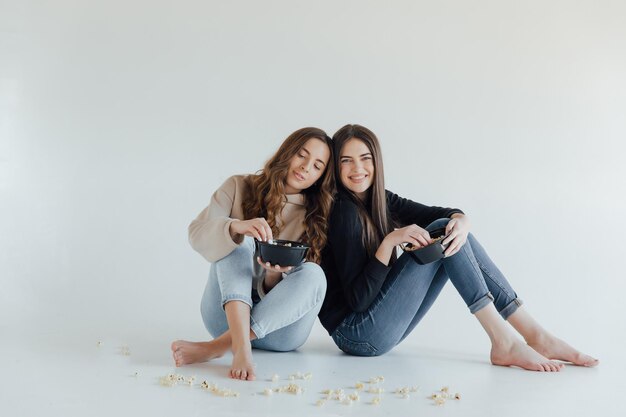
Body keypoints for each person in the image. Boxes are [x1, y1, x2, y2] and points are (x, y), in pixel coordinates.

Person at [319, 124, 598, 371]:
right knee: (444, 231)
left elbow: (441, 214)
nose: (358, 169)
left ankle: (534, 336)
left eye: (365, 159)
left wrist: (462, 221)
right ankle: (509, 340)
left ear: (376, 162)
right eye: (346, 161)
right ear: (336, 167)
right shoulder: (344, 212)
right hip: (356, 334)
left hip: (374, 331)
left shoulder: (377, 198)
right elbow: (357, 300)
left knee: (450, 231)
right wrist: (391, 240)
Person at [172, 127, 335, 381]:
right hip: (223, 317)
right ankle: (239, 344)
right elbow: (196, 233)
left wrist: (272, 276)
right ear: (287, 152)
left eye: (317, 166)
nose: (305, 167)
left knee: (315, 274)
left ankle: (220, 347)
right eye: (302, 155)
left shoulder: (317, 216)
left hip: (281, 331)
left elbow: (299, 296)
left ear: (321, 177)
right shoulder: (239, 185)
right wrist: (235, 227)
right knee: (239, 241)